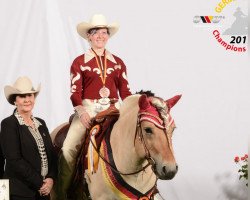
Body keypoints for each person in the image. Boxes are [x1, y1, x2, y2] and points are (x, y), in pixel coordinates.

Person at [55, 14, 132, 199]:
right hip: (88, 110)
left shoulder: (119, 63)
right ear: (88, 36)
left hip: (113, 110)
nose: (101, 36)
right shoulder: (79, 62)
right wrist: (81, 112)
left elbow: (126, 93)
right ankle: (60, 194)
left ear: (108, 36)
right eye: (96, 32)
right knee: (68, 148)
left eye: (104, 32)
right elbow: (75, 92)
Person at [0, 76, 57, 200]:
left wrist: (51, 179)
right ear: (14, 101)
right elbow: (14, 159)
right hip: (20, 193)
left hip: (43, 192)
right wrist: (40, 183)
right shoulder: (8, 124)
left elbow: (52, 155)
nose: (27, 100)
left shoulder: (41, 124)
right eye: (22, 96)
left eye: (30, 95)